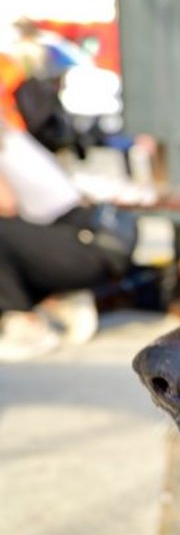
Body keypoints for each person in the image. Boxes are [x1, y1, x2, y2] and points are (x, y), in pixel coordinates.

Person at [0, 118, 134, 360]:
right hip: (85, 242)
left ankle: (26, 326)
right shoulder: (9, 133)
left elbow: (6, 205)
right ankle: (66, 300)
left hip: (84, 245)